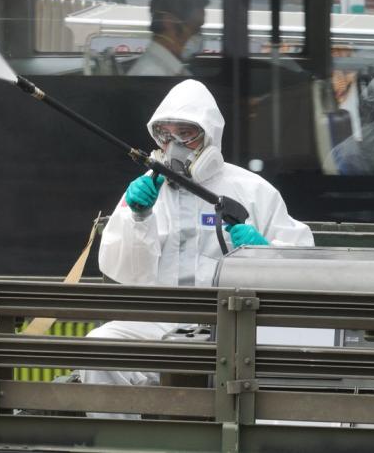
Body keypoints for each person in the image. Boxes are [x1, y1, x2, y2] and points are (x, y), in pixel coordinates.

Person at [79, 80, 313, 414]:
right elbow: (123, 273)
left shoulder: (252, 190)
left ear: (210, 135)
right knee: (97, 349)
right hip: (156, 323)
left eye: (186, 133)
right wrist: (138, 218)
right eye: (165, 134)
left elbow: (306, 262)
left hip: (234, 330)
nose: (174, 145)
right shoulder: (147, 190)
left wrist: (266, 254)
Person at [127, 0, 209, 76]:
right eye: (195, 27)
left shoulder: (171, 68)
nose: (198, 35)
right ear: (169, 22)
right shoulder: (152, 73)